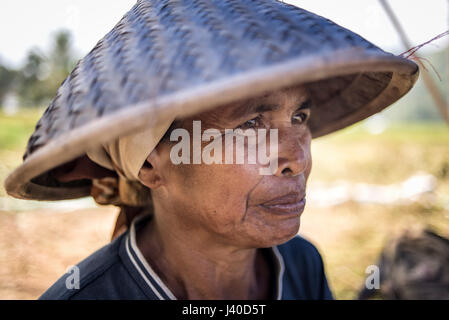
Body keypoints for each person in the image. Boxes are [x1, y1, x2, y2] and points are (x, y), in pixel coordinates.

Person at [4, 0, 419, 300]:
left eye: (299, 117)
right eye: (251, 125)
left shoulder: (300, 264)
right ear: (151, 164)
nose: (297, 158)